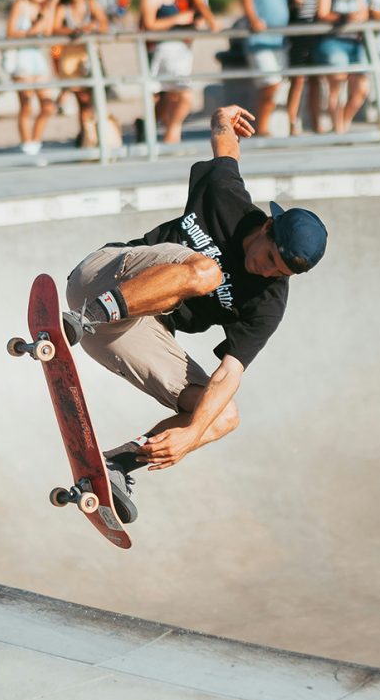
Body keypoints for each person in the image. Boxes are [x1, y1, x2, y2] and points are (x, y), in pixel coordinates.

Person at [59, 104, 328, 523]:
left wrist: (191, 435)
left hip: (130, 331)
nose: (270, 271)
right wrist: (223, 119)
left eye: (283, 271)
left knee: (221, 416)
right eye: (271, 257)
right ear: (266, 229)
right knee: (206, 271)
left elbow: (230, 374)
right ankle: (88, 315)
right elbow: (226, 150)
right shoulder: (228, 200)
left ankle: (113, 467)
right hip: (103, 278)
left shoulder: (269, 300)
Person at [140, 0, 197, 145]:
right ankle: (170, 136)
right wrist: (177, 20)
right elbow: (149, 25)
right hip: (163, 52)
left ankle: (169, 136)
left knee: (172, 97)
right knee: (182, 96)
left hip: (178, 51)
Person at [241, 0, 292, 136]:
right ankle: (260, 128)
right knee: (270, 83)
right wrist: (253, 18)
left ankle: (262, 126)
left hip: (279, 39)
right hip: (260, 39)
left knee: (276, 84)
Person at [52, 0, 109, 146]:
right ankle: (88, 137)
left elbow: (105, 25)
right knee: (83, 100)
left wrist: (93, 26)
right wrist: (74, 31)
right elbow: (55, 28)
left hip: (89, 56)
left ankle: (88, 136)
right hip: (71, 58)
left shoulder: (91, 4)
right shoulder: (63, 8)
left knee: (92, 99)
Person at [316, 0, 370, 134]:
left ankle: (343, 123)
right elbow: (322, 14)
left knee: (361, 88)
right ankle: (338, 128)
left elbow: (364, 13)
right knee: (336, 86)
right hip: (333, 42)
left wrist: (356, 17)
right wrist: (343, 18)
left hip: (354, 42)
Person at [6, 0, 57, 156]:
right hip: (22, 59)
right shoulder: (21, 4)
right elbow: (10, 32)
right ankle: (27, 145)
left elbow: (49, 33)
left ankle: (35, 142)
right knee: (26, 105)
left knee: (48, 105)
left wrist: (51, 7)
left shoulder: (44, 8)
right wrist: (31, 32)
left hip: (38, 59)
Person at [286, 0, 324, 135]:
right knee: (298, 80)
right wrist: (293, 2)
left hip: (315, 33)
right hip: (298, 35)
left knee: (316, 79)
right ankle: (293, 122)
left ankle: (316, 120)